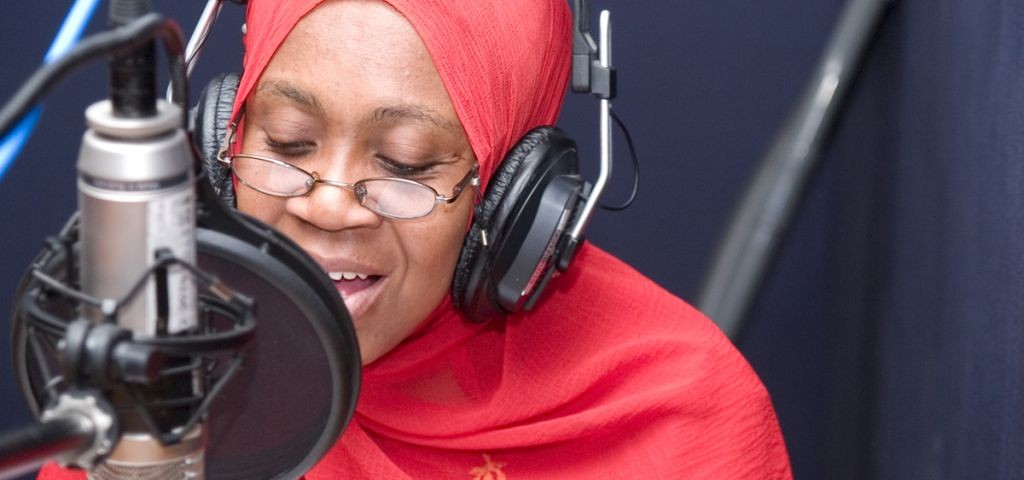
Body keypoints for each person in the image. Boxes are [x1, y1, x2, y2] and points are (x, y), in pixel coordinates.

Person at [40, 0, 792, 478]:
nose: (329, 205)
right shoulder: (160, 360)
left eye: (404, 164)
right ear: (218, 142)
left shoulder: (681, 421)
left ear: (515, 203)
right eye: (289, 142)